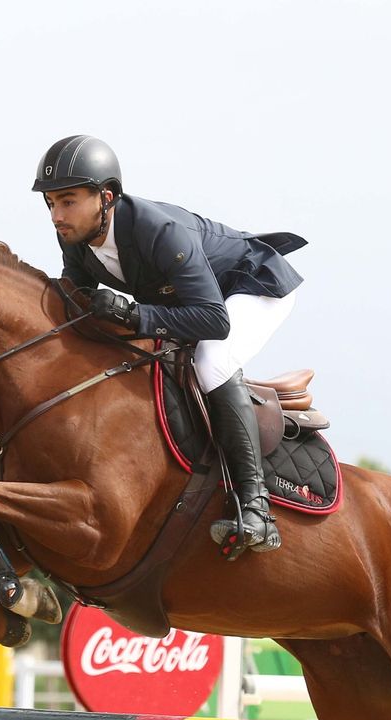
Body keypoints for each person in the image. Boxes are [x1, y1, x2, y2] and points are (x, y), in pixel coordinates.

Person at [34, 134, 306, 560]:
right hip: (191, 300)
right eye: (50, 203)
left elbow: (215, 322)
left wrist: (132, 314)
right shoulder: (75, 237)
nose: (56, 216)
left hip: (252, 286)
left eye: (67, 201)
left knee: (212, 362)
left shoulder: (159, 231)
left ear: (105, 197)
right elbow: (76, 305)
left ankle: (256, 509)